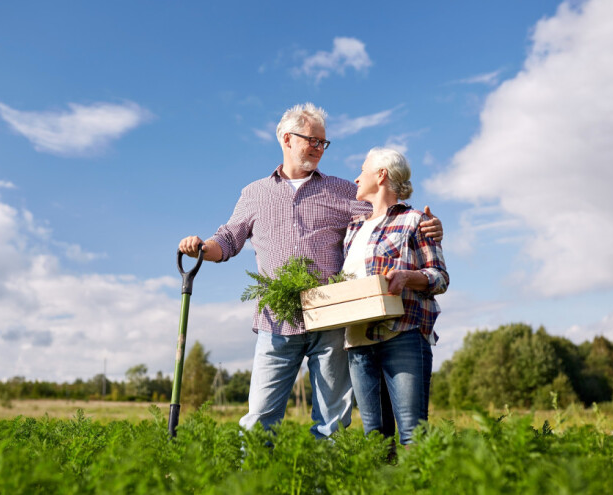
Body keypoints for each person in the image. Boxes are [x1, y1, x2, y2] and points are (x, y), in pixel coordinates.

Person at [178, 103, 443, 439]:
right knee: (260, 416)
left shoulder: (343, 190)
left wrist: (428, 226)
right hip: (276, 318)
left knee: (333, 422)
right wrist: (201, 248)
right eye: (313, 141)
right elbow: (228, 240)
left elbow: (386, 215)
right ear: (287, 139)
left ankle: (324, 485)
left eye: (323, 143)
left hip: (330, 317)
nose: (319, 149)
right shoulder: (254, 193)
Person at [342, 147, 449, 445]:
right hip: (358, 342)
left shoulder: (415, 221)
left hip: (402, 334)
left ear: (381, 174)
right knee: (376, 441)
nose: (356, 177)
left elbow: (440, 277)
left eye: (362, 170)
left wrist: (407, 277)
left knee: (413, 437)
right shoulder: (352, 228)